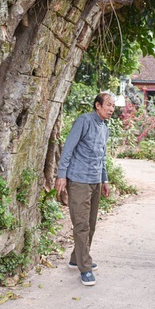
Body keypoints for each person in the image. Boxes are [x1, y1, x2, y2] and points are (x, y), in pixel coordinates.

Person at [55, 92, 116, 286]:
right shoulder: (84, 121)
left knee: (90, 223)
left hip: (95, 180)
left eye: (113, 106)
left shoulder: (104, 128)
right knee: (81, 224)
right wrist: (61, 175)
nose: (111, 109)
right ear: (97, 105)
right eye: (108, 105)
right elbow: (68, 148)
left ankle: (76, 258)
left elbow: (101, 157)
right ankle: (85, 267)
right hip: (79, 180)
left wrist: (105, 180)